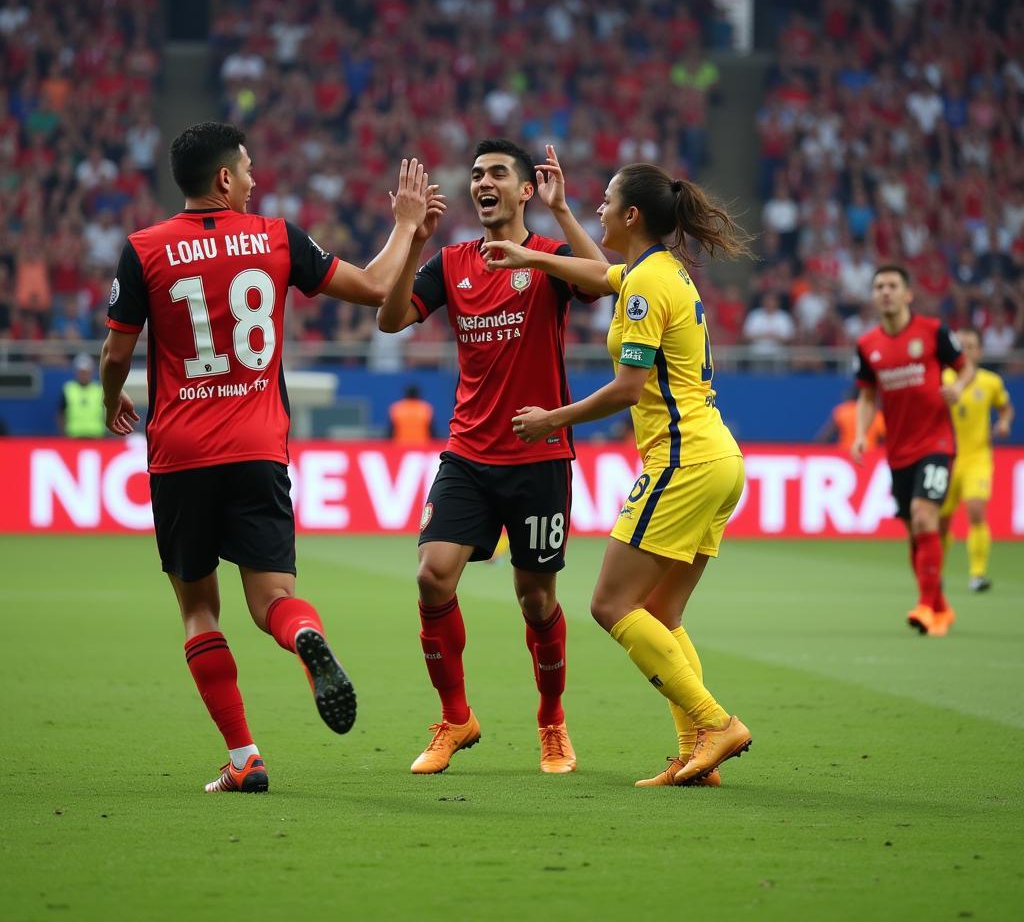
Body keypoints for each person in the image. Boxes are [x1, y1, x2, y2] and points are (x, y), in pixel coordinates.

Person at [100, 121, 435, 792]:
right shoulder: (278, 238)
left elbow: (115, 353)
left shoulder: (143, 250)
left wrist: (113, 399)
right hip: (258, 450)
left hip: (181, 453)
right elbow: (374, 288)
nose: (255, 180)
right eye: (248, 169)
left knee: (200, 611)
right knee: (275, 598)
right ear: (225, 178)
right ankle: (305, 637)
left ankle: (244, 755)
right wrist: (404, 226)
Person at [484, 162, 751, 789]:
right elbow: (598, 275)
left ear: (632, 215)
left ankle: (716, 724)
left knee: (610, 605)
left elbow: (629, 389)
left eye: (604, 202)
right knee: (660, 612)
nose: (597, 210)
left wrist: (556, 418)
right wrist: (533, 255)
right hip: (719, 458)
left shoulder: (643, 286)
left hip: (682, 460)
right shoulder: (657, 272)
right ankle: (695, 753)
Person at [377, 140, 605, 776]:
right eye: (476, 174)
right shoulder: (451, 262)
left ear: (525, 189)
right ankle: (456, 718)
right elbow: (390, 320)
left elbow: (608, 281)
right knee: (431, 575)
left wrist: (558, 222)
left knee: (536, 600)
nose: (483, 182)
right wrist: (416, 240)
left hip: (539, 455)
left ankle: (552, 722)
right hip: (468, 453)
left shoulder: (550, 259)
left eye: (497, 173)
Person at [851, 266, 975, 637]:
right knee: (913, 530)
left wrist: (959, 387)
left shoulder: (933, 331)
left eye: (892, 286)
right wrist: (861, 433)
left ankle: (924, 606)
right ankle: (939, 606)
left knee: (924, 516)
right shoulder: (867, 344)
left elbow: (964, 367)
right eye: (879, 287)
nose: (885, 292)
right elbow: (868, 395)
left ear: (907, 294)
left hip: (936, 442)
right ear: (874, 296)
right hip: (898, 450)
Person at [939, 327, 1014, 593]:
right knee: (942, 521)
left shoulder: (990, 382)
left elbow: (1005, 408)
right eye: (961, 346)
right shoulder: (942, 378)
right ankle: (936, 571)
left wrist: (1004, 423)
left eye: (971, 346)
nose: (966, 351)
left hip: (977, 457)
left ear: (980, 351)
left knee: (976, 512)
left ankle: (977, 574)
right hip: (946, 458)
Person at [816, 385, 885, 451]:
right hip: (870, 453)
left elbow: (825, 437)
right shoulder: (876, 414)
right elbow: (885, 438)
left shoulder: (843, 411)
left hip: (845, 452)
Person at [58, 353, 106, 438]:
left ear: (91, 372)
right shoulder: (68, 389)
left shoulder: (99, 390)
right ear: (76, 372)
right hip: (74, 435)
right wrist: (64, 432)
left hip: (96, 436)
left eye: (86, 372)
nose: (84, 375)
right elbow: (60, 413)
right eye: (81, 372)